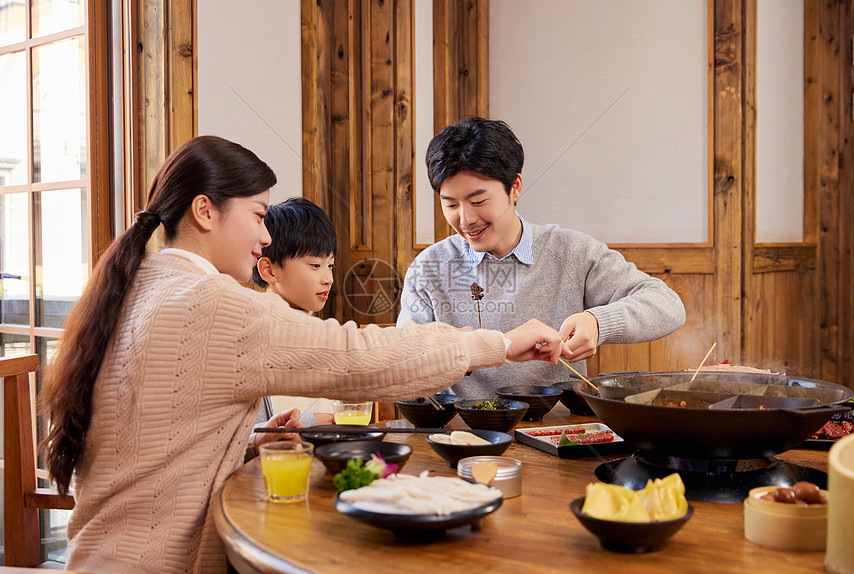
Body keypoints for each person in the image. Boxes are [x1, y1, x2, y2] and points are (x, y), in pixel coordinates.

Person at [40, 135, 564, 574]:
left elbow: (153, 429)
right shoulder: (216, 303)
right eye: (259, 215)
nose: (266, 236)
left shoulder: (140, 283)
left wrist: (245, 440)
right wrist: (498, 344)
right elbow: (360, 356)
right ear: (205, 210)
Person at [397, 117, 686, 398]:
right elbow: (403, 365)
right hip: (460, 435)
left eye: (478, 201)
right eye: (450, 205)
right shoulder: (429, 268)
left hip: (558, 431)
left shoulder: (571, 251)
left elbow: (667, 305)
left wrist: (598, 323)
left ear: (515, 187)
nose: (466, 218)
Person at [250, 197, 339, 437]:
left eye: (330, 266)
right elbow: (244, 436)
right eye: (314, 265)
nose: (327, 279)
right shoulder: (249, 340)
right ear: (269, 270)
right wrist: (311, 421)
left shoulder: (328, 336)